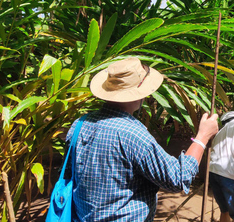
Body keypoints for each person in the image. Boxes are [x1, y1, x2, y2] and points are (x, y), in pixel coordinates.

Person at [64, 57, 219, 221]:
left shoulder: (79, 125)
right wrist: (202, 136)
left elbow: (70, 175)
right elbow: (178, 178)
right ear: (140, 93)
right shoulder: (133, 134)